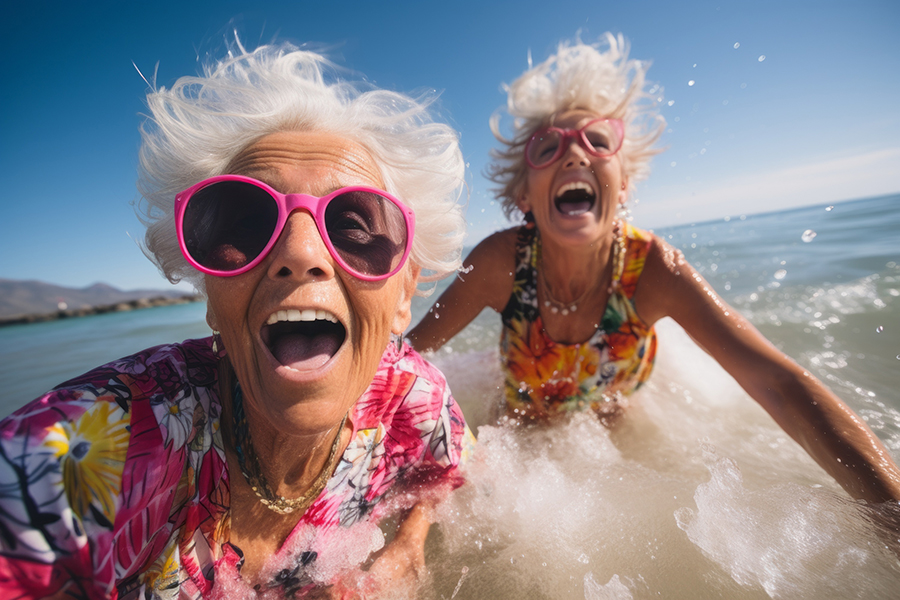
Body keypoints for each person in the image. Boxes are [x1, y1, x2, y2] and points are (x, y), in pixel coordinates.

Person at [0, 41, 474, 599]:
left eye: (353, 227)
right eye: (245, 225)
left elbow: (447, 472)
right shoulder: (81, 457)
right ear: (209, 294)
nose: (300, 254)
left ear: (404, 295)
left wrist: (409, 542)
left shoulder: (407, 391)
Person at [408, 33, 900, 504]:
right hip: (519, 427)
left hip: (612, 427)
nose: (576, 152)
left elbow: (779, 384)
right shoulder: (501, 263)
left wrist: (890, 511)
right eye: (548, 147)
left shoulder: (654, 270)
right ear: (523, 196)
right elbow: (401, 359)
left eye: (597, 141)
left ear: (622, 186)